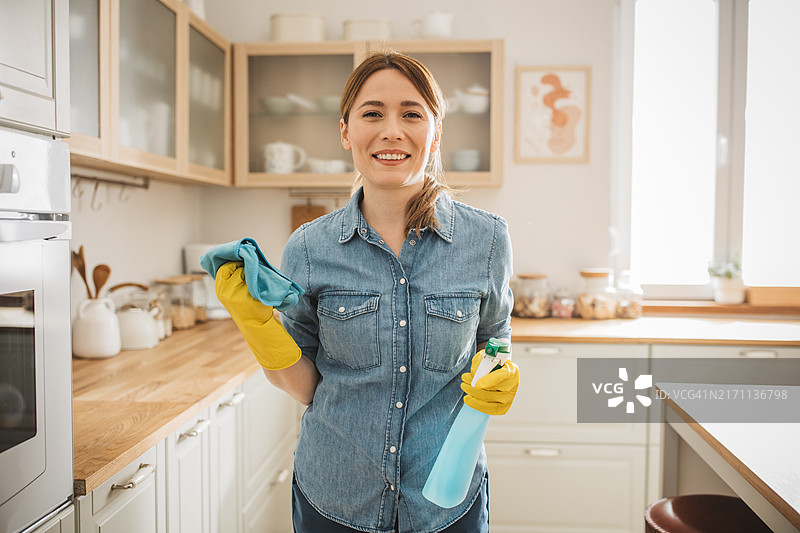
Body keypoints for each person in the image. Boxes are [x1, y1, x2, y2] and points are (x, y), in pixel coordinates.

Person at [215, 51, 519, 533]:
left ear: (435, 133)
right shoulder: (310, 247)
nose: (392, 131)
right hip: (335, 498)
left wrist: (498, 373)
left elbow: (494, 345)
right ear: (345, 131)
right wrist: (260, 331)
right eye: (372, 113)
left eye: (412, 114)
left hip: (446, 500)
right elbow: (305, 386)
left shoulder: (487, 241)